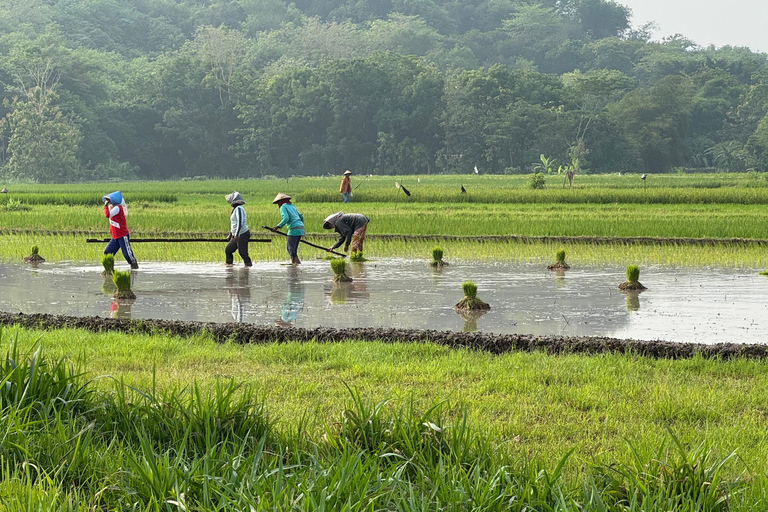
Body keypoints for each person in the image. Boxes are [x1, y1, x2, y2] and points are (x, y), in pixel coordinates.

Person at [102, 191, 138, 269]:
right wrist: (107, 206)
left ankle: (134, 269)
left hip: (122, 235)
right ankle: (109, 269)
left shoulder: (118, 208)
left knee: (127, 255)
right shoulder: (112, 208)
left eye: (109, 200)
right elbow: (108, 214)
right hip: (115, 237)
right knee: (107, 252)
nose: (108, 202)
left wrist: (105, 206)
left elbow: (107, 215)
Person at [272, 193, 304, 264]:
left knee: (290, 249)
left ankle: (297, 264)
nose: (278, 205)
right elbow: (301, 216)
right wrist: (301, 227)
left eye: (278, 203)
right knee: (294, 250)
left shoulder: (283, 207)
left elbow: (286, 218)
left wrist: (277, 227)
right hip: (300, 228)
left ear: (281, 201)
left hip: (293, 229)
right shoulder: (292, 206)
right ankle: (294, 264)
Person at [225, 191, 252, 267]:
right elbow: (234, 224)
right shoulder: (235, 209)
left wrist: (237, 235)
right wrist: (231, 234)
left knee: (243, 253)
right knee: (228, 250)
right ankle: (229, 266)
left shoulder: (239, 209)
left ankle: (248, 267)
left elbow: (240, 222)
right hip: (237, 234)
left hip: (242, 234)